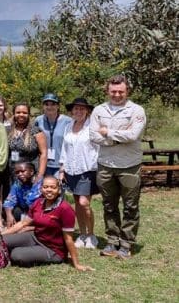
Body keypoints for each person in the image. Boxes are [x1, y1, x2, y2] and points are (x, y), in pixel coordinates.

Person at [90, 74, 146, 259]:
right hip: (105, 165)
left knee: (130, 206)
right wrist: (117, 138)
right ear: (107, 91)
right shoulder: (99, 110)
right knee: (109, 205)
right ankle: (112, 241)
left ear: (127, 91)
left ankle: (126, 244)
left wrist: (107, 132)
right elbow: (94, 136)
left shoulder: (137, 110)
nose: (116, 95)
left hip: (129, 165)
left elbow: (133, 135)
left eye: (120, 91)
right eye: (113, 91)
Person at [2, 176, 93, 271]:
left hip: (53, 249)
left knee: (16, 255)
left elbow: (68, 239)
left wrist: (76, 264)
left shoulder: (65, 209)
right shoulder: (38, 203)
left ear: (59, 190)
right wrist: (0, 235)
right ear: (41, 189)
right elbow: (23, 223)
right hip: (36, 237)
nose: (49, 190)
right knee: (2, 241)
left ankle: (20, 252)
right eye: (45, 187)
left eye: (53, 187)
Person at [59, 97, 99, 249]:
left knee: (84, 203)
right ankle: (82, 234)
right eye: (76, 108)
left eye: (82, 108)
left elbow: (99, 147)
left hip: (87, 169)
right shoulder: (68, 126)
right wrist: (62, 169)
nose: (79, 111)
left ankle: (91, 235)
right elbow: (65, 149)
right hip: (71, 170)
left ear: (87, 111)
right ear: (72, 111)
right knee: (77, 204)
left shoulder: (92, 127)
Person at [36, 93, 72, 177]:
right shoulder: (38, 120)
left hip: (60, 165)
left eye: (53, 104)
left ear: (58, 106)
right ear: (43, 106)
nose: (49, 107)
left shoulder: (68, 121)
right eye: (46, 104)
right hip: (43, 164)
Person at [8, 102, 47, 177]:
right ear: (14, 114)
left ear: (29, 114)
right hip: (12, 173)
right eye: (18, 112)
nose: (21, 115)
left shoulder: (36, 131)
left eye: (24, 113)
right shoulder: (8, 130)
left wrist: (40, 175)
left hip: (30, 173)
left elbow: (43, 154)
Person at [3, 162, 42, 227]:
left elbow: (31, 201)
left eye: (23, 171)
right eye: (17, 172)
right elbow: (9, 201)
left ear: (31, 172)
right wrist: (9, 215)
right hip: (25, 211)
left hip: (38, 212)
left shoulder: (40, 183)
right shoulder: (17, 184)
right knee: (8, 211)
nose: (20, 174)